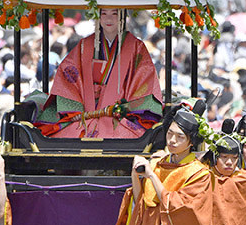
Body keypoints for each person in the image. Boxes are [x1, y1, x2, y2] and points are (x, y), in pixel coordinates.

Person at [39, 8, 162, 138]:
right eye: (104, 14)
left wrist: (126, 107)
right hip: (86, 113)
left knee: (131, 136)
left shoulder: (136, 47)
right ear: (98, 17)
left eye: (114, 14)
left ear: (122, 17)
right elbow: (68, 73)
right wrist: (78, 109)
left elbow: (144, 77)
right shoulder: (84, 45)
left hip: (120, 116)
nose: (108, 19)